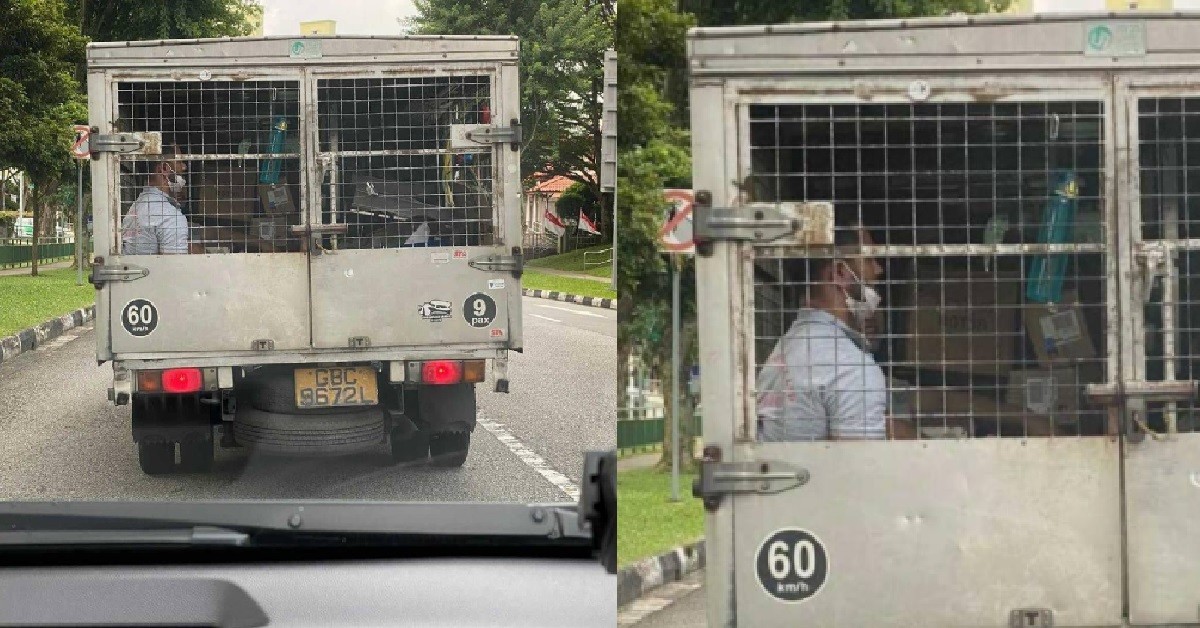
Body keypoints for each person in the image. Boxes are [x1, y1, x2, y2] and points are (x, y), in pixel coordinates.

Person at [756, 217, 916, 441]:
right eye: (869, 259)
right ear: (840, 272)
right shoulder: (849, 368)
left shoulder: (786, 348)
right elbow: (862, 469)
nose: (878, 269)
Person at [121, 145, 193, 255]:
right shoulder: (170, 216)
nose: (184, 167)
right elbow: (176, 268)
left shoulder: (137, 206)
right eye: (179, 162)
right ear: (164, 168)